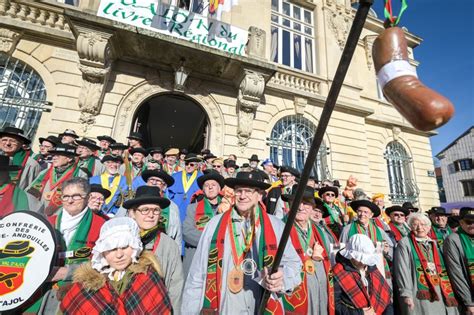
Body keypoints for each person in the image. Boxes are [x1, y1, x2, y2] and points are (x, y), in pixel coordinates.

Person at [182, 171, 301, 314]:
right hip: (223, 306)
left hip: (260, 305)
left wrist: (282, 278)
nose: (243, 196)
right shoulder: (214, 224)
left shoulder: (276, 225)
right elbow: (197, 274)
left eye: (249, 191)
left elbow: (294, 265)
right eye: (239, 191)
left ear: (260, 196)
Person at [60, 217, 173, 314]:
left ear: (135, 247)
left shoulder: (146, 278)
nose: (119, 255)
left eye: (124, 247)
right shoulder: (86, 284)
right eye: (112, 249)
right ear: (102, 251)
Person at [33, 178, 107, 314]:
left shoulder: (102, 226)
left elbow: (105, 264)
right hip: (40, 290)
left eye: (76, 196)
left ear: (88, 197)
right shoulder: (48, 223)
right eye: (65, 196)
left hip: (78, 293)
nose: (70, 201)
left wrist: (67, 272)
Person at [123, 186, 184, 313]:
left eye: (155, 210)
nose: (151, 215)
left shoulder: (169, 245)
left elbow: (175, 287)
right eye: (145, 210)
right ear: (133, 213)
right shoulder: (121, 241)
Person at [282, 185, 335, 315]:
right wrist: (309, 258)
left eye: (306, 203)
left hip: (321, 292)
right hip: (296, 293)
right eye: (296, 202)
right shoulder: (281, 228)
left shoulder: (321, 232)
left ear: (312, 207)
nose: (301, 207)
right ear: (290, 204)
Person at [394, 213, 458, 315]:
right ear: (410, 226)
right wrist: (406, 294)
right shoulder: (405, 243)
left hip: (440, 289)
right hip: (419, 291)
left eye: (423, 224)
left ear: (429, 227)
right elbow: (402, 269)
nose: (420, 228)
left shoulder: (434, 243)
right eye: (415, 225)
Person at [333, 234, 393, 315]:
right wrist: (360, 313)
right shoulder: (338, 272)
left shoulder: (371, 266)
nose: (363, 262)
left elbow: (386, 299)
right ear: (351, 255)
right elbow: (334, 305)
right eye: (360, 258)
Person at [183, 170, 225, 275]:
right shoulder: (192, 208)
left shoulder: (228, 208)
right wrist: (212, 240)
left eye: (214, 185)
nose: (210, 187)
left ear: (219, 188)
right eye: (206, 185)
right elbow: (187, 232)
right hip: (197, 255)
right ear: (203, 190)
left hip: (221, 257)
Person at [340, 199, 394, 280]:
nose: (362, 214)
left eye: (365, 212)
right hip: (356, 269)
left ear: (371, 215)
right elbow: (341, 248)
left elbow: (390, 246)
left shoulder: (379, 230)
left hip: (379, 267)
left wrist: (386, 251)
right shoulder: (347, 229)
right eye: (360, 211)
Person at [27, 144, 87, 216]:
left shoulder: (80, 175)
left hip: (60, 216)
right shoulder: (44, 172)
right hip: (36, 212)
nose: (54, 158)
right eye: (53, 155)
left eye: (57, 155)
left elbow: (79, 200)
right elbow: (28, 192)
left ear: (69, 158)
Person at [443, 207, 474, 315]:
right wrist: (469, 303)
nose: (472, 225)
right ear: (461, 222)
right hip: (469, 297)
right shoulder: (453, 239)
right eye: (469, 222)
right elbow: (456, 273)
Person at [169, 153, 203, 225]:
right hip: (177, 210)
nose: (188, 166)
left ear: (197, 166)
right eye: (186, 164)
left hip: (192, 211)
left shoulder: (201, 178)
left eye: (191, 165)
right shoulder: (175, 176)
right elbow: (169, 194)